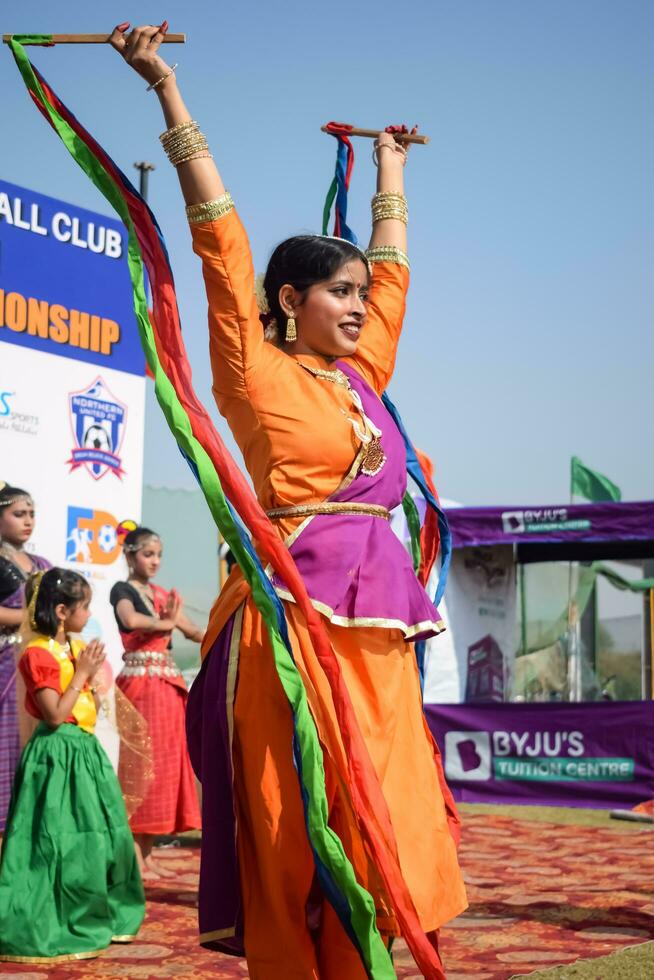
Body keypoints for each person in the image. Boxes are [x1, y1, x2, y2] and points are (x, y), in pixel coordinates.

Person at [110, 22, 467, 979]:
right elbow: (219, 244)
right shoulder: (253, 370)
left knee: (384, 809)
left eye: (358, 293)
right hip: (290, 630)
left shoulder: (364, 377)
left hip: (377, 631)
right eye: (336, 292)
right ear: (286, 299)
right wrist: (167, 93)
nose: (357, 305)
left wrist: (390, 171)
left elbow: (395, 279)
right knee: (297, 820)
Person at [0, 568, 144, 963]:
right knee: (57, 839)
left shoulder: (73, 650)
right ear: (62, 611)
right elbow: (53, 714)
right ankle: (50, 919)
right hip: (55, 757)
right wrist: (81, 675)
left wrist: (91, 682)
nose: (88, 615)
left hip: (85, 754)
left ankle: (100, 912)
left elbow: (86, 711)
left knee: (101, 835)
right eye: (84, 608)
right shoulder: (38, 654)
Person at [110, 524, 202, 879]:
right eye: (148, 554)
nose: (155, 561)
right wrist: (164, 625)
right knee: (139, 768)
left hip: (165, 686)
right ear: (130, 554)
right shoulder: (123, 590)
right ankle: (132, 855)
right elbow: (129, 619)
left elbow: (192, 631)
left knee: (161, 770)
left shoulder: (162, 595)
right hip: (142, 688)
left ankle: (145, 855)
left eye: (159, 555)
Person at [0, 482, 50, 835]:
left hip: (43, 662)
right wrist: (31, 618)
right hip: (6, 666)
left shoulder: (42, 564)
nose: (28, 521)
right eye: (19, 514)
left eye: (31, 514)